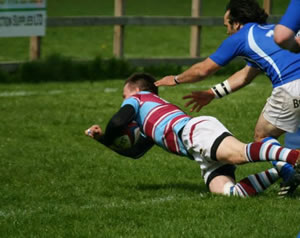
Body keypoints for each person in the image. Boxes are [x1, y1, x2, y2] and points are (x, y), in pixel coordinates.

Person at [85, 73, 300, 197]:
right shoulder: (147, 123)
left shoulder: (139, 97)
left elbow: (118, 121)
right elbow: (134, 152)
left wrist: (109, 132)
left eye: (124, 95)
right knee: (232, 193)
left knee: (240, 154)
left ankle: (294, 157)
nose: (123, 100)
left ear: (135, 90)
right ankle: (280, 170)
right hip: (196, 152)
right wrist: (102, 139)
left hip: (194, 132)